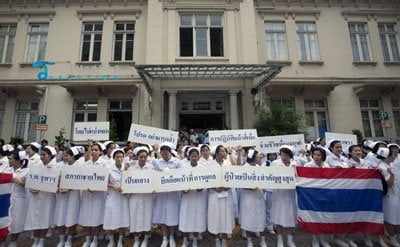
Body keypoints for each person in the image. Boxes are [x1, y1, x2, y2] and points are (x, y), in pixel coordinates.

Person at [24, 146, 58, 247]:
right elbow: (30, 180)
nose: (42, 157)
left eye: (44, 155)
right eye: (41, 154)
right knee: (35, 219)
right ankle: (35, 240)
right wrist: (31, 188)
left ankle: (41, 241)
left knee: (45, 219)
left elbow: (56, 183)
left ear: (50, 156)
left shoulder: (56, 168)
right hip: (35, 196)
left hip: (47, 197)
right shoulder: (36, 166)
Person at [152, 142, 182, 247]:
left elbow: (181, 175)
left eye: (167, 154)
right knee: (162, 215)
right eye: (163, 154)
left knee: (172, 215)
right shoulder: (157, 162)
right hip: (161, 194)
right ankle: (165, 237)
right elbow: (153, 176)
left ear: (170, 152)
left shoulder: (177, 162)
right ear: (160, 153)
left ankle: (172, 236)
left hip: (173, 193)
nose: (165, 156)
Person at [78, 143, 108, 247]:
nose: (94, 151)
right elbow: (81, 177)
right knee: (86, 216)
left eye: (96, 150)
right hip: (87, 193)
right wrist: (87, 187)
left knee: (97, 216)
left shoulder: (104, 164)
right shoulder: (86, 164)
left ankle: (95, 239)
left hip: (98, 194)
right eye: (92, 150)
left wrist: (96, 187)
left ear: (100, 152)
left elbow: (105, 178)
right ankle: (87, 238)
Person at [54, 147, 83, 247]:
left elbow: (81, 180)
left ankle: (69, 239)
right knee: (61, 216)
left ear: (73, 156)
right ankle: (61, 239)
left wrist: (69, 189)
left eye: (66, 155)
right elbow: (54, 178)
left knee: (72, 216)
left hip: (73, 195)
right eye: (64, 155)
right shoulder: (60, 165)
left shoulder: (79, 166)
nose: (64, 157)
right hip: (62, 195)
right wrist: (58, 186)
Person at [179, 147, 207, 247]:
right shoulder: (184, 168)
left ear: (198, 157)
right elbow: (179, 182)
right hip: (187, 198)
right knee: (186, 218)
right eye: (192, 156)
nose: (194, 158)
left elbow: (205, 182)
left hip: (198, 197)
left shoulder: (202, 168)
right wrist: (183, 190)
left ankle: (195, 240)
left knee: (197, 218)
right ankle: (185, 240)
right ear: (189, 157)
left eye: (196, 156)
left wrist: (201, 188)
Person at [208, 145, 235, 247]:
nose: (224, 153)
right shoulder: (210, 165)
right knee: (216, 217)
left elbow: (232, 177)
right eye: (222, 151)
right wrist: (215, 188)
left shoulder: (228, 164)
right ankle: (216, 240)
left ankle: (223, 240)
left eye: (225, 151)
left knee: (226, 217)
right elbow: (207, 180)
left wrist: (228, 187)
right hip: (214, 194)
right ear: (217, 153)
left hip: (227, 194)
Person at [304, 148, 332, 247]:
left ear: (323, 156)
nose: (316, 157)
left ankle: (323, 238)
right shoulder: (308, 165)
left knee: (323, 216)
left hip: (324, 194)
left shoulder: (326, 165)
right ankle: (315, 238)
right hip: (313, 194)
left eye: (318, 155)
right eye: (314, 154)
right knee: (315, 216)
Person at [271, 145, 297, 247]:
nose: (283, 157)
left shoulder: (295, 164)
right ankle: (280, 240)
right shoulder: (275, 164)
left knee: (291, 219)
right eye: (282, 155)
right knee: (279, 218)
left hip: (290, 196)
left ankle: (290, 240)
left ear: (290, 156)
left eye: (286, 155)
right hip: (279, 195)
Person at [240, 149, 267, 247]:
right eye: (257, 156)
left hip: (259, 196)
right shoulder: (244, 168)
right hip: (248, 197)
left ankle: (263, 240)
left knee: (261, 217)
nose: (259, 158)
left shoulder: (259, 167)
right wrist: (250, 188)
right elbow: (239, 184)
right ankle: (249, 241)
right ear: (252, 157)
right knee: (248, 219)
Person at [129, 146, 154, 247]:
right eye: (141, 157)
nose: (143, 159)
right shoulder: (131, 168)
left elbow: (154, 182)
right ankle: (136, 238)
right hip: (135, 197)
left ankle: (146, 238)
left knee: (146, 217)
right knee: (134, 217)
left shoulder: (151, 167)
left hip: (147, 197)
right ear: (137, 157)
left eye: (145, 157)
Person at [104, 149, 129, 247]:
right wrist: (114, 186)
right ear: (114, 158)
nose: (119, 159)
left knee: (122, 219)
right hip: (112, 196)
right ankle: (111, 240)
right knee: (111, 218)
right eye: (117, 157)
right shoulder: (109, 168)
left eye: (121, 157)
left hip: (123, 197)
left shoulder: (126, 168)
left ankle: (120, 240)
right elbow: (104, 182)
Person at [378, 146, 400, 247]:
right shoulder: (381, 167)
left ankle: (396, 236)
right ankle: (392, 238)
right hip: (389, 196)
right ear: (387, 155)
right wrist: (392, 174)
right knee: (390, 219)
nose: (396, 154)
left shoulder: (391, 164)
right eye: (393, 153)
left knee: (397, 218)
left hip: (397, 194)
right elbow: (389, 184)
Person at [7, 151, 29, 247]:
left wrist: (21, 182)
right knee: (5, 220)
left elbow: (31, 185)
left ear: (18, 160)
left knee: (17, 220)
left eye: (11, 158)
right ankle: (3, 240)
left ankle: (13, 241)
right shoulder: (7, 169)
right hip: (7, 198)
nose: (9, 160)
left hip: (19, 198)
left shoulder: (26, 171)